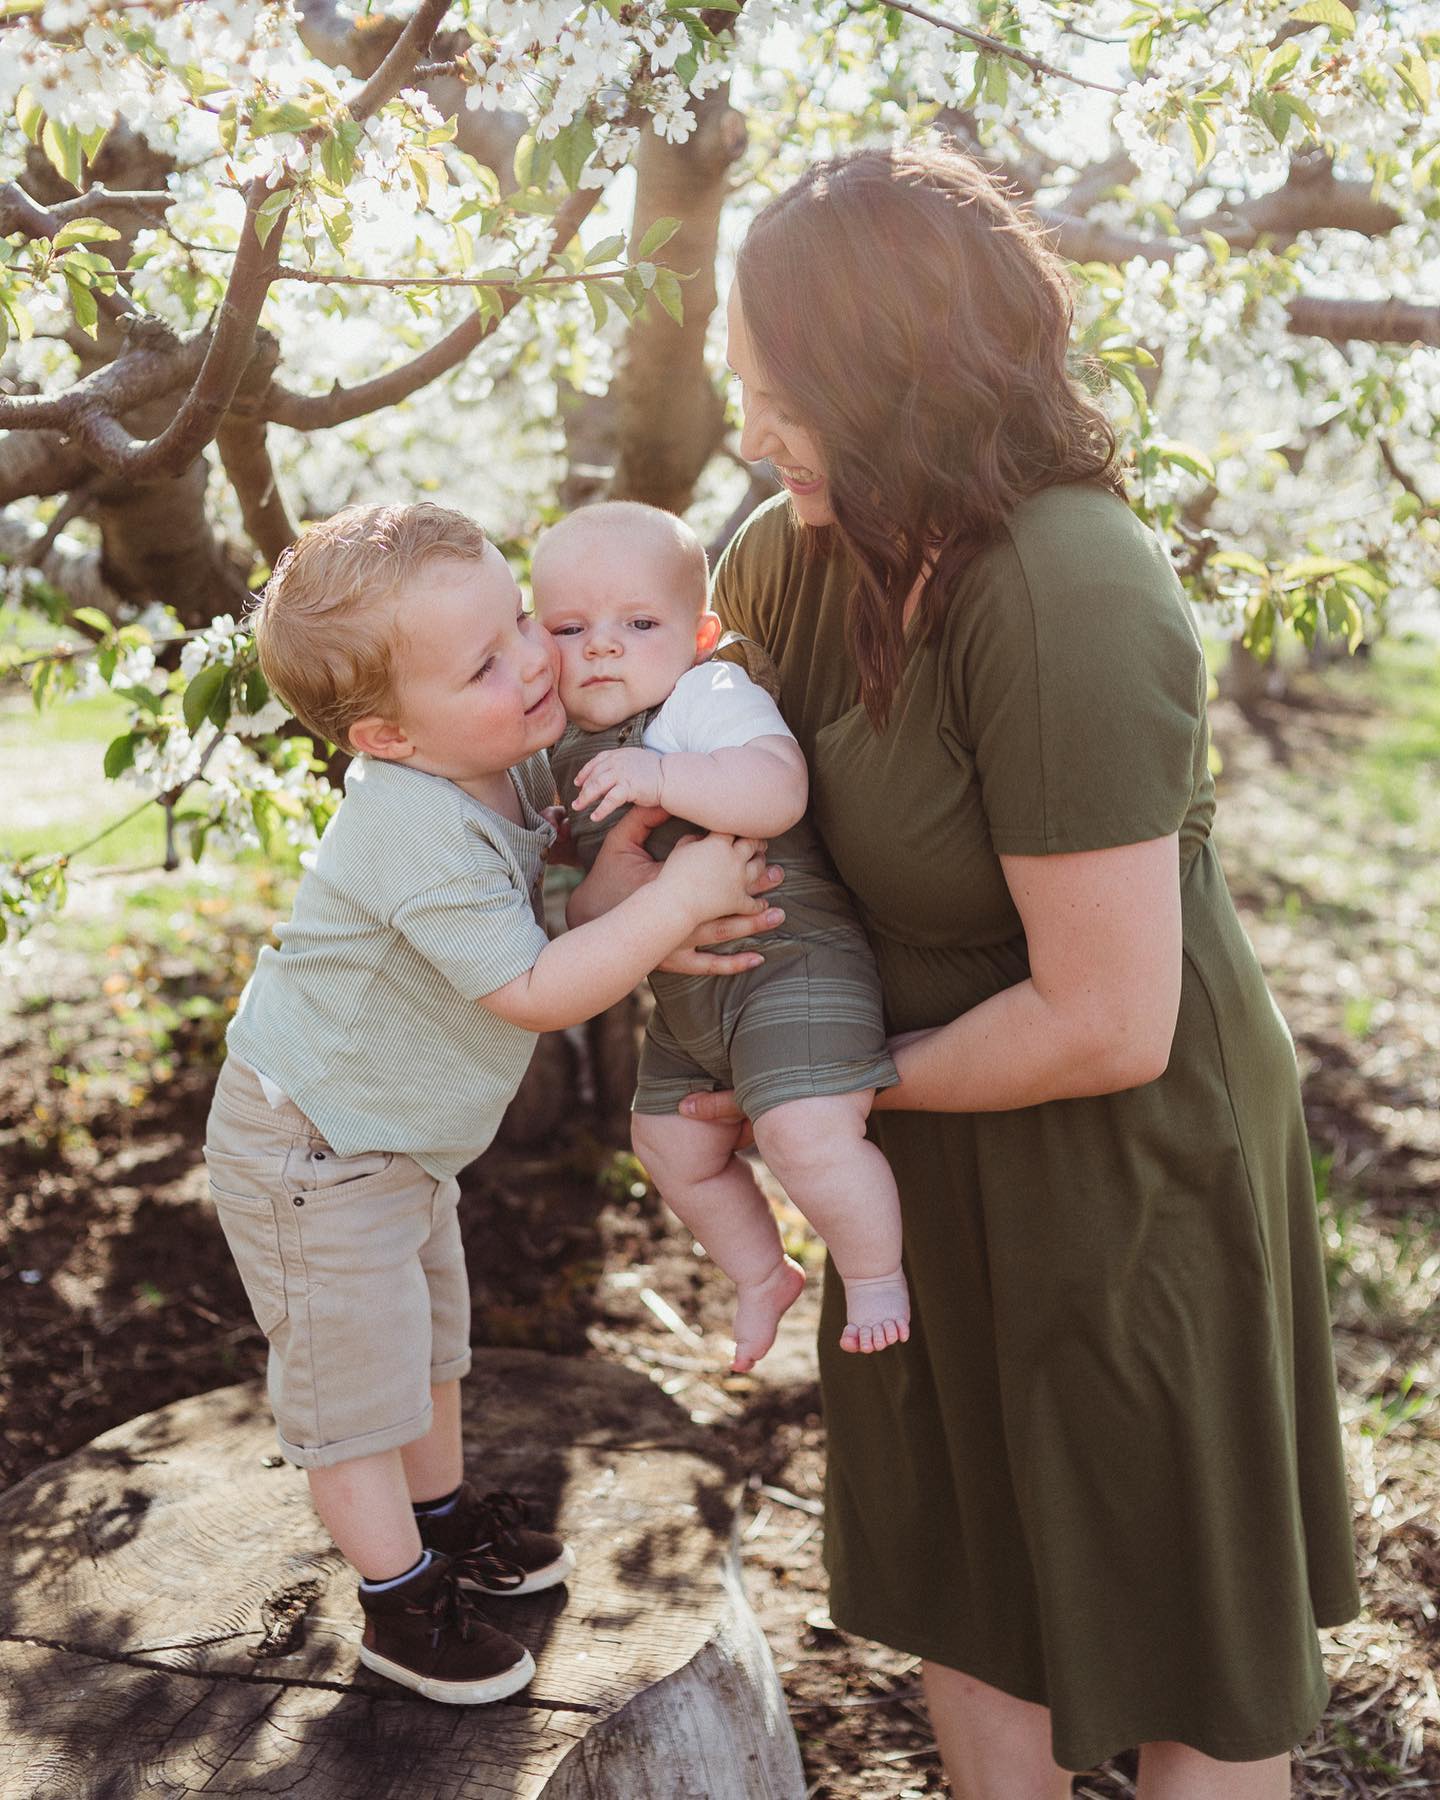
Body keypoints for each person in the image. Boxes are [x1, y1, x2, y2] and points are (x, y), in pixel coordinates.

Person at [570, 145, 1359, 1794]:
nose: (747, 419)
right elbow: (716, 785)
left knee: (1172, 1634)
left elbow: (1106, 1018)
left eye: (773, 384)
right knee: (971, 1569)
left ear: (888, 378)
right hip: (898, 1117)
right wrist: (680, 908)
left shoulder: (1066, 585)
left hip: (1118, 1153)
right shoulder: (783, 548)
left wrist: (813, 1093)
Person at [204, 502, 768, 1706]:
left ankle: (445, 1521)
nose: (533, 658)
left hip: (396, 1146)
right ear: (387, 735)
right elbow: (533, 988)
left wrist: (648, 850)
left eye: (520, 622)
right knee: (353, 1398)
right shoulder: (413, 826)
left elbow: (565, 897)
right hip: (310, 1146)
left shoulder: (501, 754)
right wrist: (676, 906)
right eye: (485, 661)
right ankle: (398, 1607)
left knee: (429, 1352)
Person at [532, 500, 907, 1372]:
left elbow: (777, 792)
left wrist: (663, 773)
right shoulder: (561, 751)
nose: (601, 646)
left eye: (637, 622)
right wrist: (598, 906)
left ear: (699, 634)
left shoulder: (708, 696)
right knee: (668, 1144)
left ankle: (876, 1275)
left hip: (788, 963)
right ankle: (758, 1273)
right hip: (692, 1006)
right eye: (569, 626)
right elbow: (584, 907)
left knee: (802, 1133)